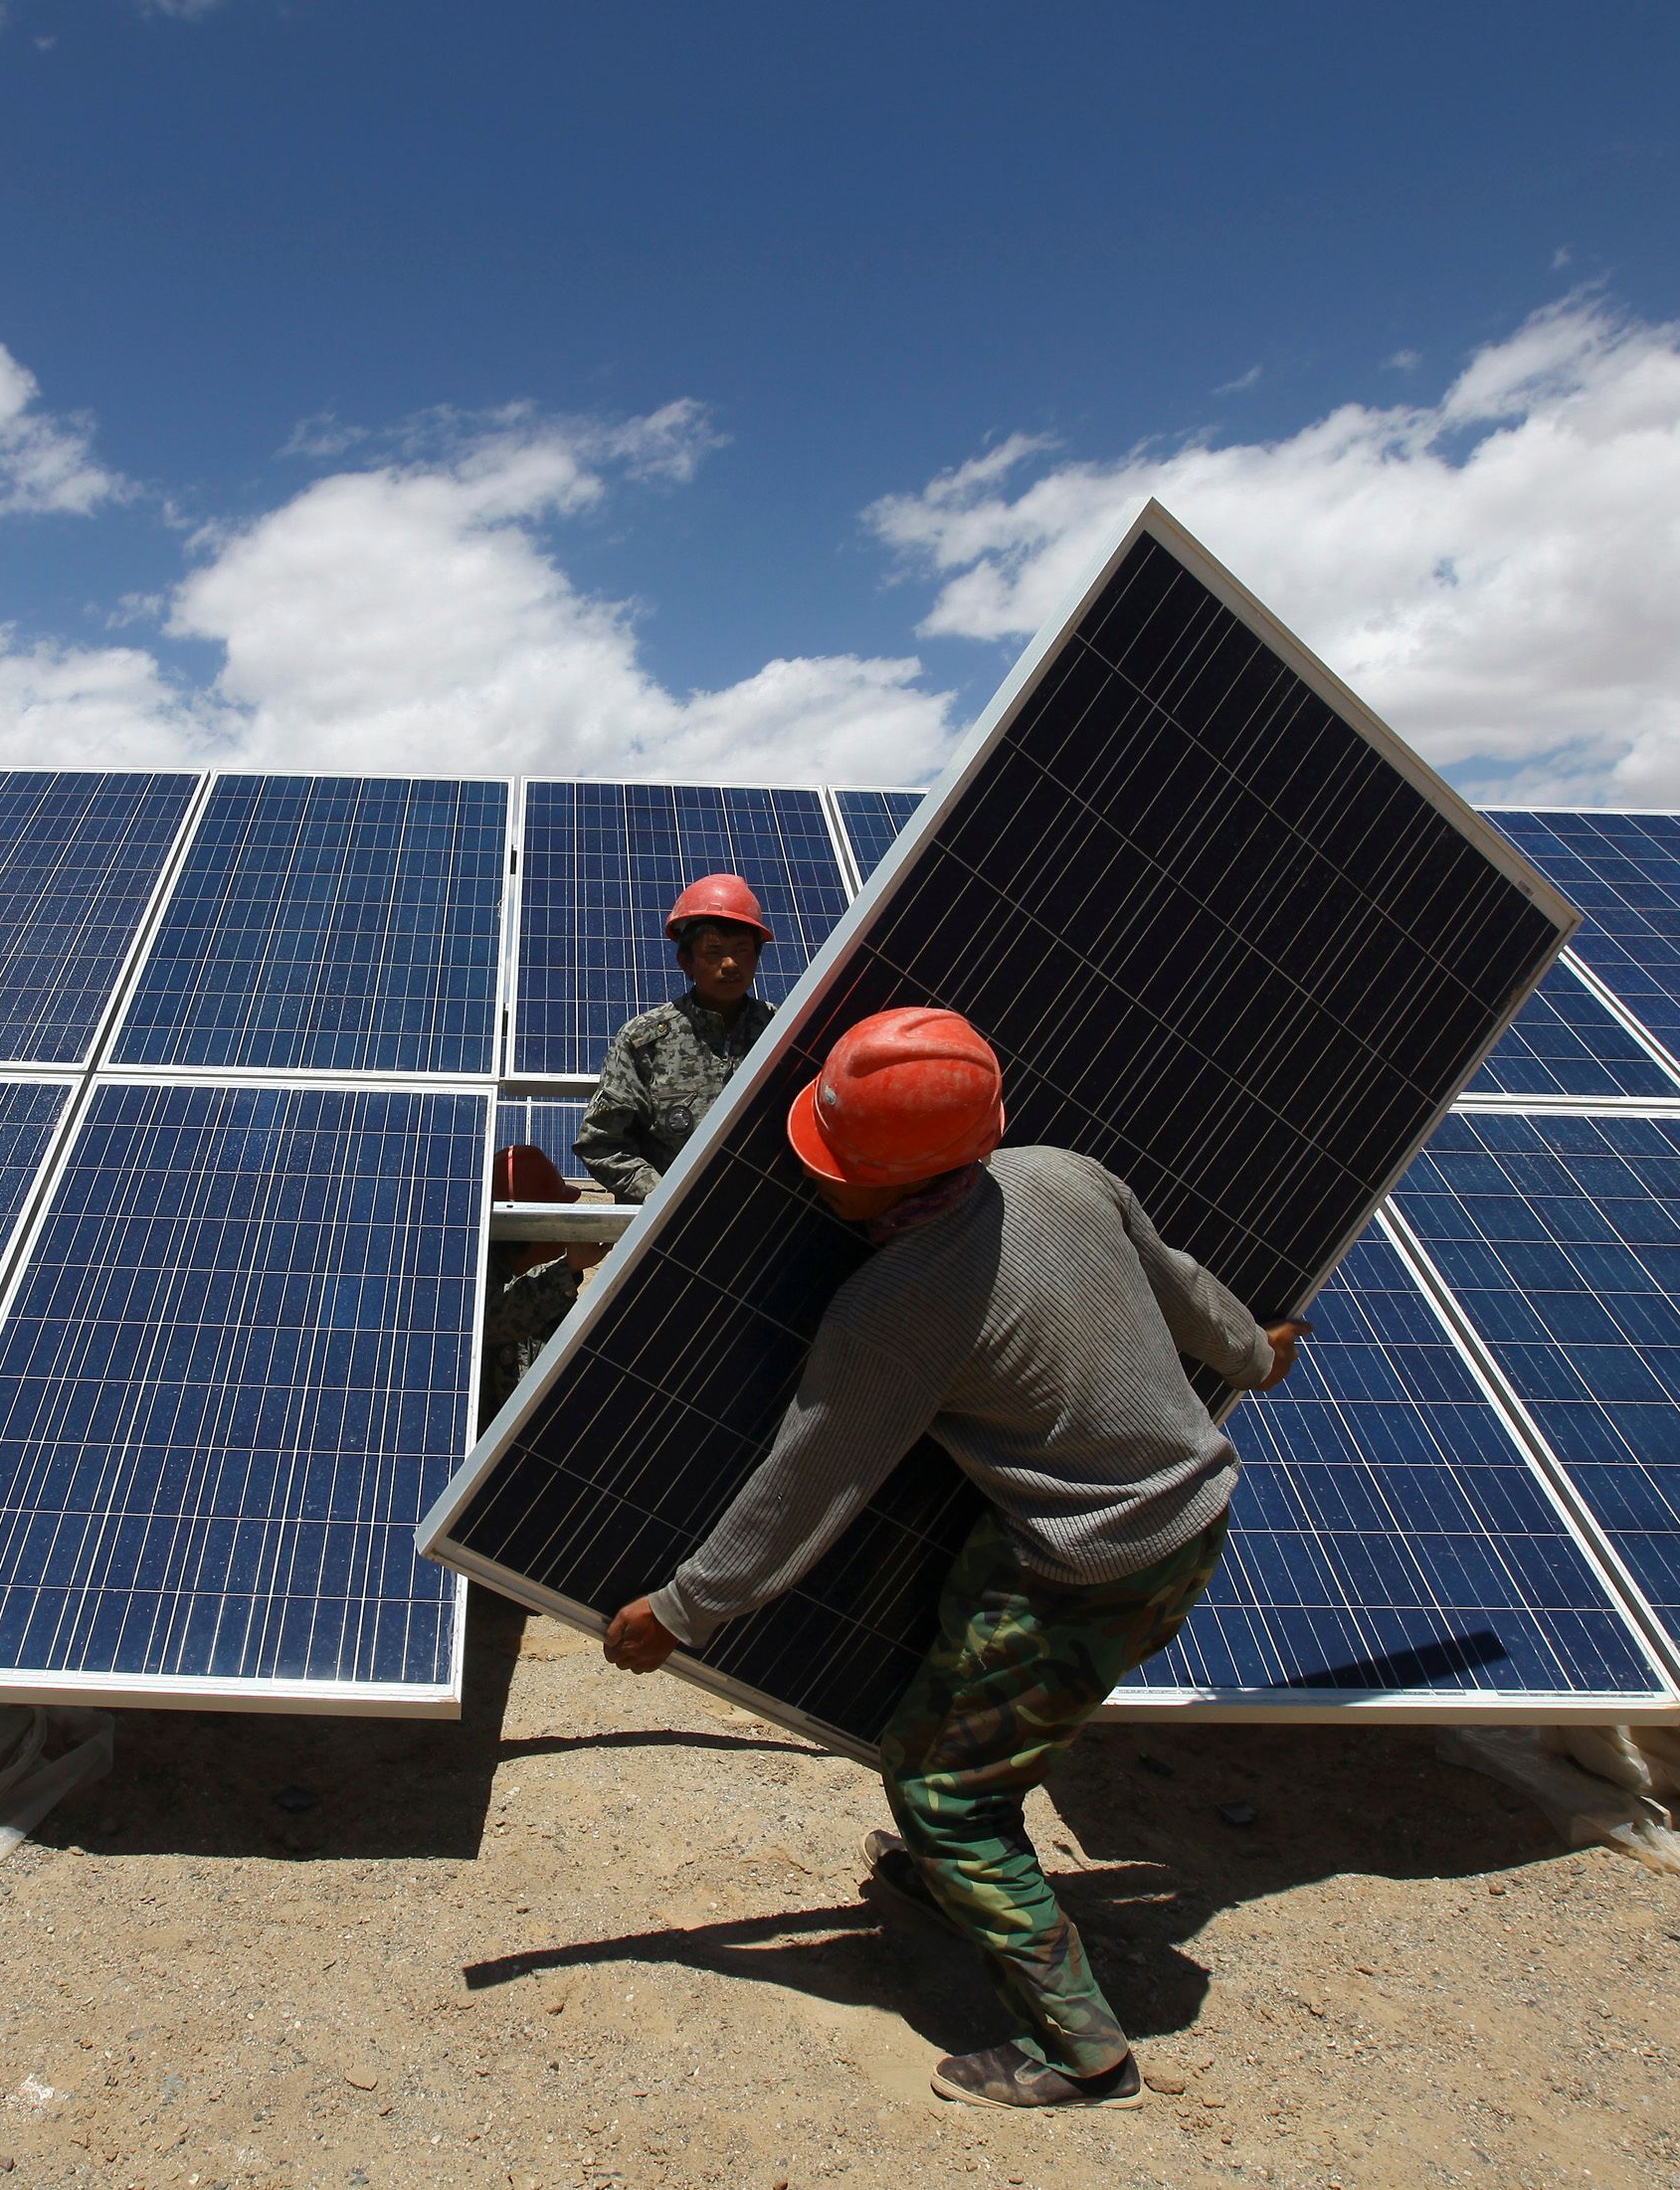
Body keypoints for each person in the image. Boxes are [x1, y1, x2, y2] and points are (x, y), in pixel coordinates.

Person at [599, 1006, 1309, 2111]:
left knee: (938, 1790)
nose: (813, 1176)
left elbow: (808, 1481)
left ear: (891, 1178)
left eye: (837, 1163)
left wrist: (682, 1612)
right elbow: (1179, 1288)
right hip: (1185, 1517)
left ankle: (1084, 2055)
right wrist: (1251, 1359)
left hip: (1089, 1565)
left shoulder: (898, 1300)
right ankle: (963, 1874)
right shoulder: (1061, 1173)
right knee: (966, 1702)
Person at [578, 874, 776, 1205]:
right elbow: (602, 1143)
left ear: (756, 957)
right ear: (686, 961)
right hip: (673, 1237)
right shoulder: (644, 1041)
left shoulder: (784, 1032)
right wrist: (665, 1199)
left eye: (742, 951)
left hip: (772, 1221)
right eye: (714, 952)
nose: (730, 964)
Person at [480, 1143, 599, 1425]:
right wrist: (567, 1268)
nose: (563, 1226)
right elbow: (496, 1320)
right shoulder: (471, 1276)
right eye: (555, 1216)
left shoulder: (542, 1285)